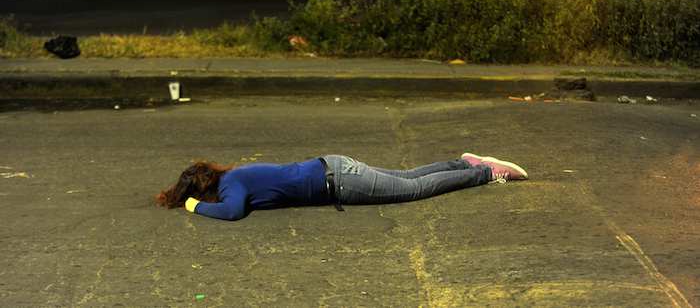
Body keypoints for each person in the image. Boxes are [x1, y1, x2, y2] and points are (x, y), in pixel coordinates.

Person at [155, 153, 528, 221]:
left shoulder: (232, 190)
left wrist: (193, 207)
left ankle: (485, 173)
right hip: (332, 164)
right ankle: (463, 162)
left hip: (340, 182)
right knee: (409, 176)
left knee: (414, 190)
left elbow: (232, 213)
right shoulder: (237, 175)